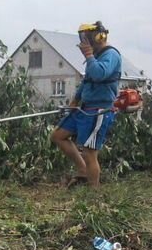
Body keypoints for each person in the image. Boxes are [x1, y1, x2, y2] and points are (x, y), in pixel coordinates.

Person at [51, 21, 121, 188]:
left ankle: (93, 195)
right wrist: (76, 99)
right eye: (82, 37)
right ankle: (82, 169)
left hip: (98, 111)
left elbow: (98, 75)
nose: (84, 41)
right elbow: (87, 80)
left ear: (99, 36)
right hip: (84, 108)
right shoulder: (96, 57)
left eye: (87, 37)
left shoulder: (111, 55)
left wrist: (89, 56)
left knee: (90, 153)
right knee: (58, 136)